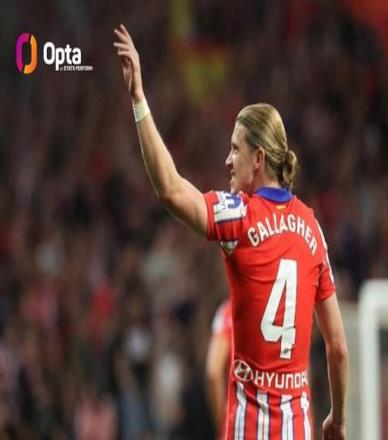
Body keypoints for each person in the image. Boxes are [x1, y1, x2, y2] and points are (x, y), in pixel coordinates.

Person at [113, 24, 349, 440]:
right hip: (298, 429)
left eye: (235, 149)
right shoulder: (313, 229)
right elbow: (338, 349)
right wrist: (338, 419)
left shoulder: (239, 216)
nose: (227, 160)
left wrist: (139, 101)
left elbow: (170, 189)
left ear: (258, 158)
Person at [206, 300, 233, 439]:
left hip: (238, 423)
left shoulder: (228, 312)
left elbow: (213, 372)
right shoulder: (286, 308)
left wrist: (222, 424)